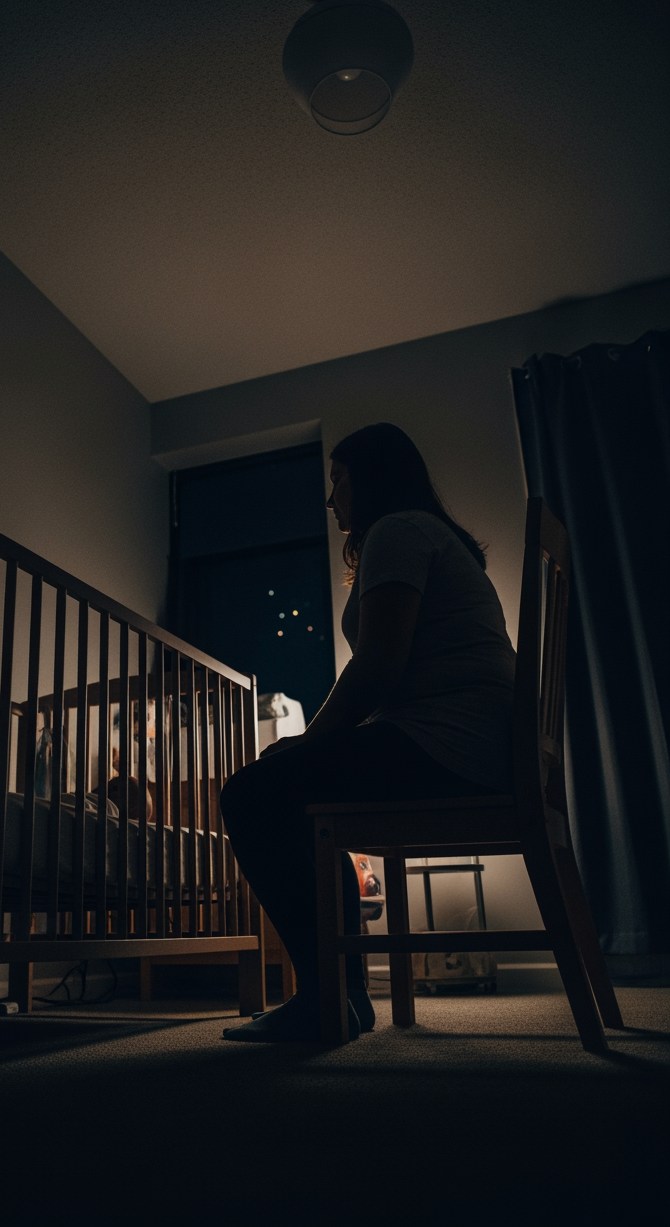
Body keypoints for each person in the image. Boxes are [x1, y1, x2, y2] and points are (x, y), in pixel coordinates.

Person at [219, 423, 516, 1042]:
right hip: (478, 747)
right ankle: (340, 997)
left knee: (250, 792)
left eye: (339, 481)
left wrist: (309, 742)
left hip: (447, 748)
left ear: (373, 478)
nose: (331, 500)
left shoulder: (398, 531)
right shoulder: (425, 536)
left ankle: (330, 996)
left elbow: (378, 669)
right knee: (298, 792)